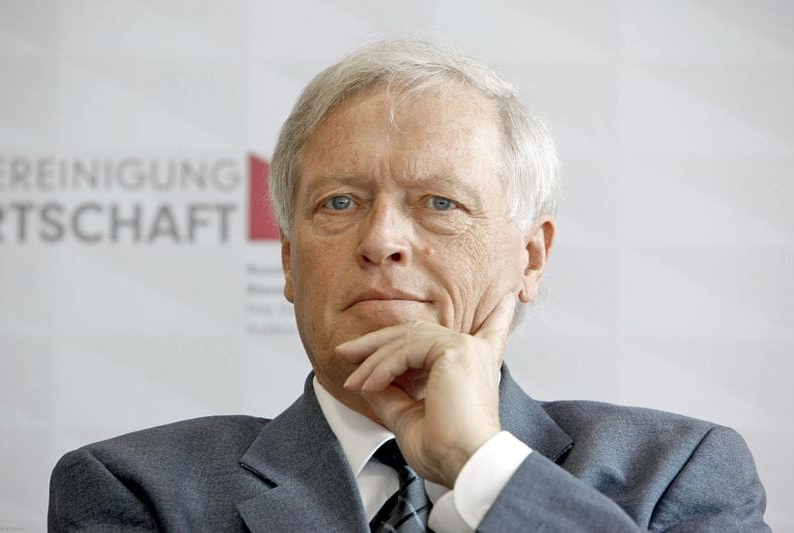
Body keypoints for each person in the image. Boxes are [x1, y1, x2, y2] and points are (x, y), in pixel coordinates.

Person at [48, 39, 769, 532]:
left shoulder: (676, 471)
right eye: (339, 202)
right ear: (290, 261)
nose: (381, 239)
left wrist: (481, 467)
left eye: (439, 203)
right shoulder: (137, 489)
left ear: (531, 257)